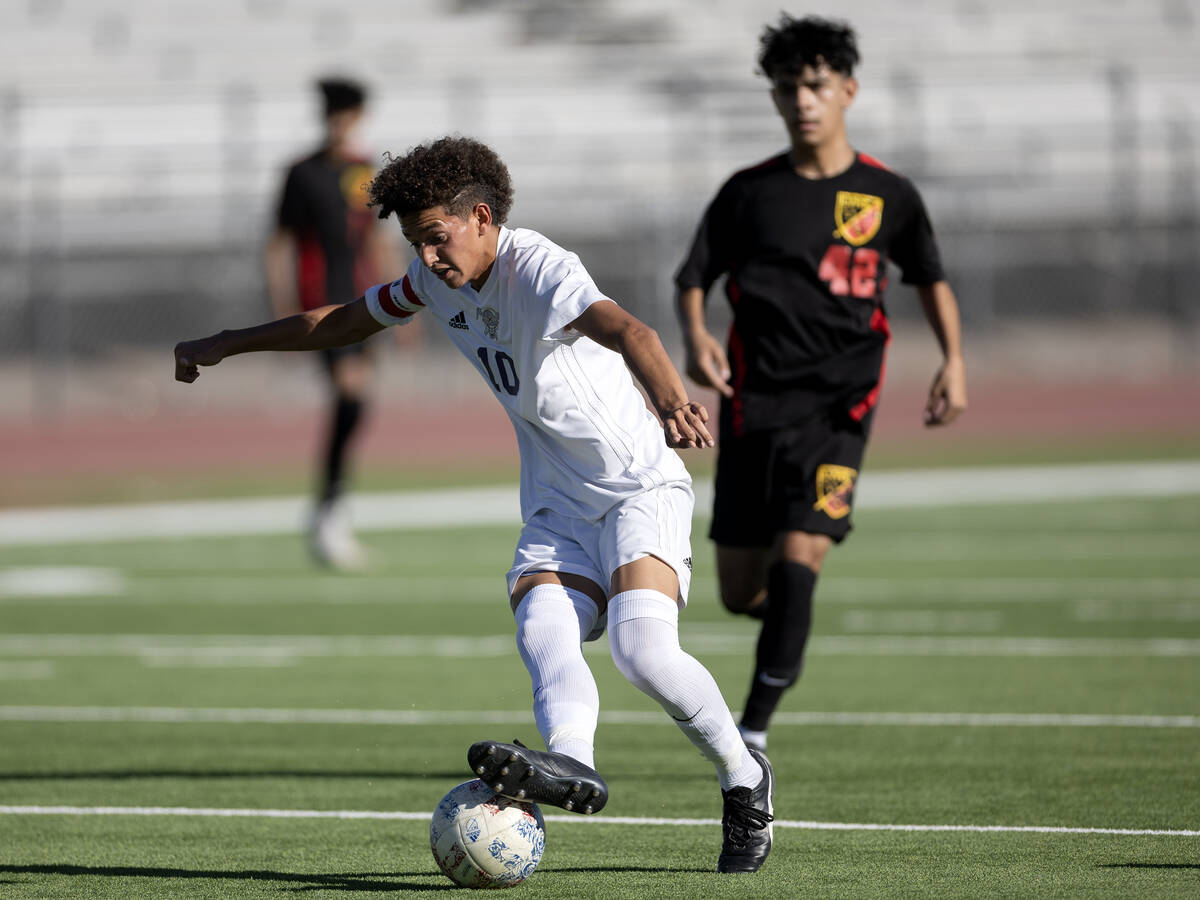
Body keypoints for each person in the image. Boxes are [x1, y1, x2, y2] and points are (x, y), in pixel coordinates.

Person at [176, 136, 775, 873]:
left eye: (436, 239)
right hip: (556, 503)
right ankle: (571, 764)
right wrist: (229, 342)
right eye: (415, 243)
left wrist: (672, 398)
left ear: (482, 218)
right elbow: (343, 321)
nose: (425, 259)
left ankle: (745, 780)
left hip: (637, 487)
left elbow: (630, 331)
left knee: (643, 653)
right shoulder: (436, 282)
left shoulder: (540, 266)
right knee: (544, 626)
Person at [675, 15, 968, 753]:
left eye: (815, 84)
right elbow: (692, 279)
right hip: (751, 407)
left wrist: (953, 360)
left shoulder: (888, 194)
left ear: (847, 89)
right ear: (774, 99)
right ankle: (784, 616)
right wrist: (697, 335)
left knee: (802, 555)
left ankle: (752, 736)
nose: (802, 99)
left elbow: (930, 279)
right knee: (743, 590)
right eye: (787, 88)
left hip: (842, 406)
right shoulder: (747, 193)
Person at [264, 77, 401, 569]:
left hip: (365, 300)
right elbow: (278, 244)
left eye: (349, 113)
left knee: (357, 399)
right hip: (319, 299)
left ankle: (330, 506)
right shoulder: (301, 173)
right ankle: (329, 513)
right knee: (350, 391)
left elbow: (376, 239)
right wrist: (282, 309)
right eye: (334, 113)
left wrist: (403, 302)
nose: (341, 122)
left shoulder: (364, 171)